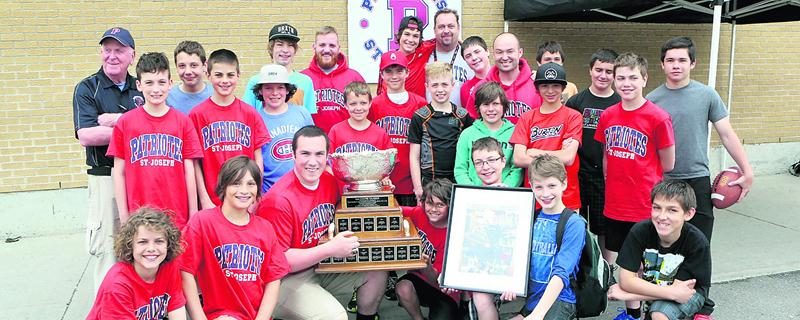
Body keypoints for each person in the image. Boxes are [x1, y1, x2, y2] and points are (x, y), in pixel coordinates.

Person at [256, 126, 388, 320]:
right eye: (305, 153)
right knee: (335, 317)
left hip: (321, 265)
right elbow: (282, 261)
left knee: (377, 271)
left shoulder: (328, 181)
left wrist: (379, 189)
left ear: (327, 156)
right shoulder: (278, 200)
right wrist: (330, 249)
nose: (312, 161)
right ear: (293, 155)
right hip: (282, 280)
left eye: (319, 154)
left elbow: (350, 206)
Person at [647, 36, 754, 242]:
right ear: (662, 64)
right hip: (663, 180)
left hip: (697, 178)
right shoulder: (651, 100)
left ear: (693, 63)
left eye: (682, 60)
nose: (676, 65)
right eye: (670, 60)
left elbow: (727, 134)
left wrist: (747, 170)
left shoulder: (707, 95)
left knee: (700, 241)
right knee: (664, 242)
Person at [595, 52, 675, 319]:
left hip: (644, 203)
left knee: (648, 264)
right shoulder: (608, 115)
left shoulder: (657, 117)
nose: (626, 83)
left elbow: (669, 163)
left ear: (644, 79)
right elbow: (606, 156)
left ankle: (660, 309)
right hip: (616, 203)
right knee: (627, 264)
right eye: (621, 78)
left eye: (632, 77)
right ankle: (633, 313)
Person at [72, 27, 143, 291]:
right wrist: (134, 127)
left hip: (140, 178)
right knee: (108, 249)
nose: (112, 56)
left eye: (119, 50)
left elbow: (154, 122)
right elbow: (87, 135)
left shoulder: (141, 87)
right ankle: (108, 307)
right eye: (107, 50)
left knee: (142, 244)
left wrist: (116, 121)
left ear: (132, 55)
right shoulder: (87, 88)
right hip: (105, 178)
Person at [181, 156, 289, 320]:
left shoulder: (265, 228)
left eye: (250, 184)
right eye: (236, 183)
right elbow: (184, 271)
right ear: (224, 186)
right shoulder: (203, 222)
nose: (244, 190)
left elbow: (273, 280)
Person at [107, 52, 203, 229]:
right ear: (139, 85)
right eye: (149, 83)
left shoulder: (183, 122)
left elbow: (189, 171)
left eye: (161, 82)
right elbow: (119, 173)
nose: (156, 89)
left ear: (170, 83)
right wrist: (124, 217)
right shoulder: (126, 123)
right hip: (138, 219)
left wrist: (193, 214)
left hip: (177, 218)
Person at [607, 180, 712, 320]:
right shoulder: (640, 231)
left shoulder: (696, 242)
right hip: (662, 289)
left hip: (691, 295)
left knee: (659, 314)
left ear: (688, 214)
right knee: (657, 308)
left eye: (672, 210)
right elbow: (626, 280)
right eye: (657, 208)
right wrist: (671, 293)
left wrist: (628, 295)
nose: (662, 216)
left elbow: (679, 292)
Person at [189, 49, 271, 207]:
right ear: (208, 75)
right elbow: (195, 163)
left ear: (238, 75)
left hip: (244, 199)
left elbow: (258, 159)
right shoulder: (197, 115)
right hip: (212, 201)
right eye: (218, 75)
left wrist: (255, 195)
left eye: (230, 75)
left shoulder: (250, 113)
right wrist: (204, 199)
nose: (225, 80)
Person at [508, 154, 586, 320]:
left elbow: (562, 271)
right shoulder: (531, 217)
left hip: (560, 300)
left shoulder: (574, 223)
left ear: (564, 183)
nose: (546, 193)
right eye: (539, 187)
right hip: (532, 301)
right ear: (531, 186)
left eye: (552, 185)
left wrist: (539, 313)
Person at [565, 48, 620, 260]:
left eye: (609, 71)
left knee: (605, 228)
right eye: (599, 70)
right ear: (590, 70)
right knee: (577, 226)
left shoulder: (619, 103)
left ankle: (607, 269)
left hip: (606, 177)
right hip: (578, 175)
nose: (603, 75)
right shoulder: (576, 102)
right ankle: (580, 269)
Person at [86, 208, 187, 319]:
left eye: (159, 241)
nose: (151, 248)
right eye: (143, 242)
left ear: (168, 245)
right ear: (130, 246)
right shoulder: (117, 284)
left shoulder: (169, 266)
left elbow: (176, 308)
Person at [510, 62, 582, 210]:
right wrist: (558, 155)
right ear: (537, 88)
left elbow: (568, 158)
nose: (550, 90)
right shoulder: (526, 118)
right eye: (544, 86)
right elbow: (518, 158)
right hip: (535, 197)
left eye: (555, 85)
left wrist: (535, 152)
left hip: (566, 197)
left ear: (563, 88)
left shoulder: (573, 116)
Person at [395, 179, 460, 320]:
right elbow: (395, 211)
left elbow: (436, 280)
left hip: (445, 290)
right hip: (419, 279)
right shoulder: (420, 213)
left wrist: (426, 265)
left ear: (450, 206)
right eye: (429, 203)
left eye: (440, 205)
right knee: (403, 287)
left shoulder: (454, 234)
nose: (433, 209)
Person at [370, 51, 429, 207]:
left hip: (411, 183)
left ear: (407, 72)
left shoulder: (420, 104)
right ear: (381, 75)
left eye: (399, 71)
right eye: (389, 71)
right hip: (381, 183)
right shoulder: (374, 105)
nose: (394, 76)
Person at [409, 62, 474, 201]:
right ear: (427, 86)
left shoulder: (463, 116)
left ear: (453, 85)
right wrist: (418, 187)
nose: (440, 89)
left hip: (457, 181)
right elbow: (414, 156)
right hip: (429, 183)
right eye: (435, 85)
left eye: (444, 84)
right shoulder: (420, 117)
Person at [252, 64, 314, 193]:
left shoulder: (302, 114)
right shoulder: (255, 119)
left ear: (287, 90)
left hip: (301, 187)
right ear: (260, 91)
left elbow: (313, 147)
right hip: (270, 191)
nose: (275, 93)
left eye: (280, 87)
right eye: (268, 88)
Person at [454, 82, 522, 187]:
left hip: (506, 191)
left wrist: (506, 188)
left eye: (495, 104)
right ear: (478, 107)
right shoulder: (467, 134)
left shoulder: (515, 132)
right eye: (485, 104)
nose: (490, 109)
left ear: (503, 106)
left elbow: (517, 169)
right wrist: (472, 190)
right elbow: (460, 169)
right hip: (474, 193)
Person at [465, 32, 541, 124]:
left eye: (510, 51)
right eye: (499, 52)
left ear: (520, 52)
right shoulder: (480, 88)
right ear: (493, 54)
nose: (505, 57)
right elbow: (471, 125)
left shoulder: (537, 85)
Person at [301, 26, 365, 133]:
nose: (327, 50)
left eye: (332, 45)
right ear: (314, 47)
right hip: (312, 140)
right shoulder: (303, 79)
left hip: (346, 140)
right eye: (322, 45)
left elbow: (364, 115)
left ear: (339, 48)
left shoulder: (354, 78)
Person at [243, 23, 317, 115]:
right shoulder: (256, 81)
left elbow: (310, 117)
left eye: (290, 45)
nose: (285, 50)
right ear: (271, 48)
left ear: (295, 50)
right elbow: (247, 115)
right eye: (280, 44)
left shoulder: (305, 81)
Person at [425, 8, 474, 107]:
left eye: (451, 26)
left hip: (462, 116)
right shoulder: (424, 56)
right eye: (441, 27)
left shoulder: (470, 57)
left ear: (458, 28)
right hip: (428, 116)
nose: (446, 31)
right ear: (434, 30)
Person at [376, 16, 435, 98]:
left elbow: (444, 38)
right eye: (407, 34)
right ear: (399, 35)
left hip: (418, 105)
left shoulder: (424, 50)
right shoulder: (388, 59)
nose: (410, 40)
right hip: (390, 104)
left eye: (415, 36)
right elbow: (379, 91)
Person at [328, 81, 393, 154]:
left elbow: (391, 158)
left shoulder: (380, 134)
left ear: (370, 103)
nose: (358, 108)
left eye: (363, 103)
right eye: (353, 104)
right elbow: (328, 158)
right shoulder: (336, 131)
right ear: (345, 105)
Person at [167, 40, 213, 114]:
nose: (188, 72)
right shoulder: (168, 98)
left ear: (204, 66)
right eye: (182, 66)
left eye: (194, 65)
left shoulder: (216, 95)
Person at [459, 36, 491, 108]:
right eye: (468, 56)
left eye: (477, 52)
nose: (474, 58)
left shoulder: (504, 79)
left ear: (487, 51)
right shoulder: (466, 88)